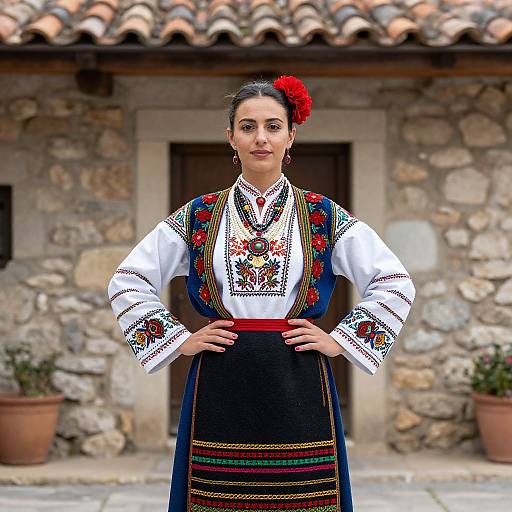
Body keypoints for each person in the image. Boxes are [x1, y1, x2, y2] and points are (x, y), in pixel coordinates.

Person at [107, 75, 416, 512]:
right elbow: (127, 279)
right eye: (248, 126)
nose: (261, 138)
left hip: (299, 375)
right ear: (230, 137)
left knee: (304, 500)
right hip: (221, 375)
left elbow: (394, 281)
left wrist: (340, 340)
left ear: (291, 135)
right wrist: (179, 340)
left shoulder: (322, 215)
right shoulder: (199, 215)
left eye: (273, 126)